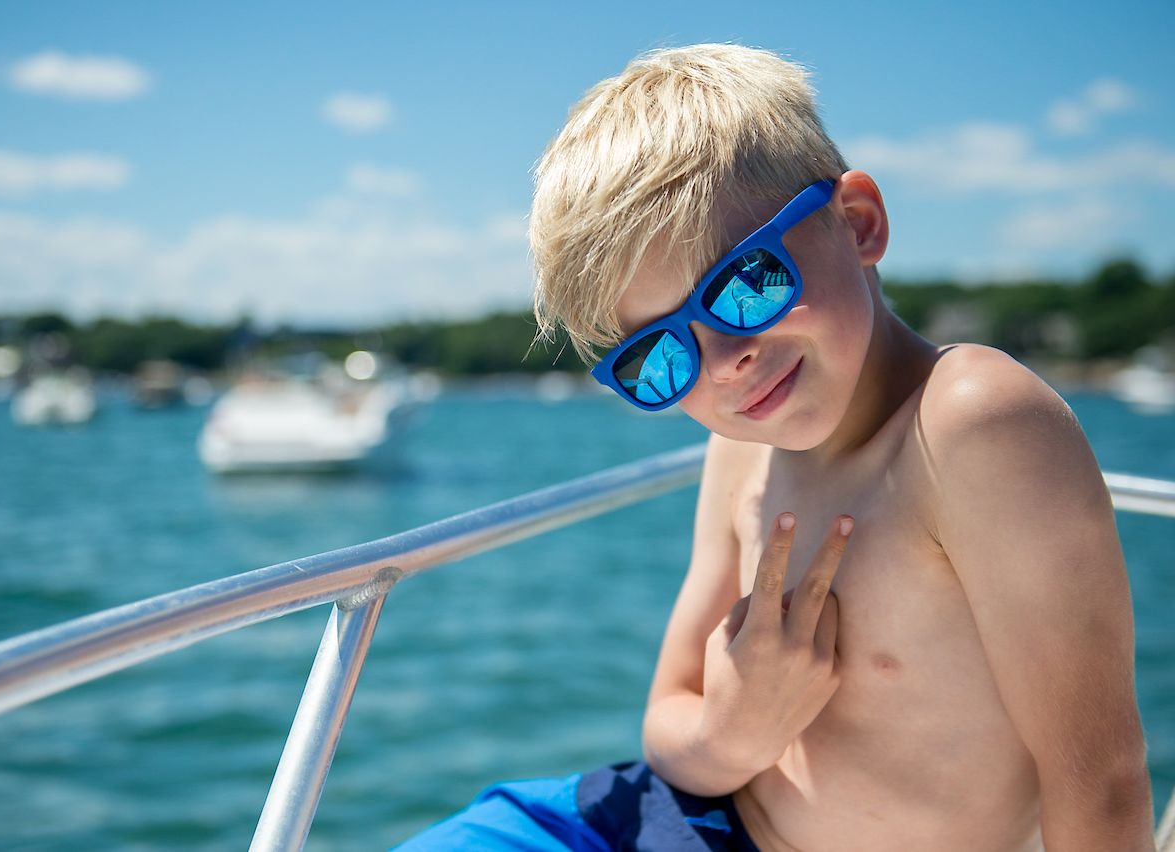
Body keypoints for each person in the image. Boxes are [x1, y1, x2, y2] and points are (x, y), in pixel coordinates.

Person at [393, 43, 1154, 851]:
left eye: (744, 286)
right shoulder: (742, 453)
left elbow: (1098, 776)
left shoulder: (969, 425)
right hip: (659, 817)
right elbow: (667, 719)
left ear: (858, 223)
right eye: (661, 356)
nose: (725, 365)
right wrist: (734, 731)